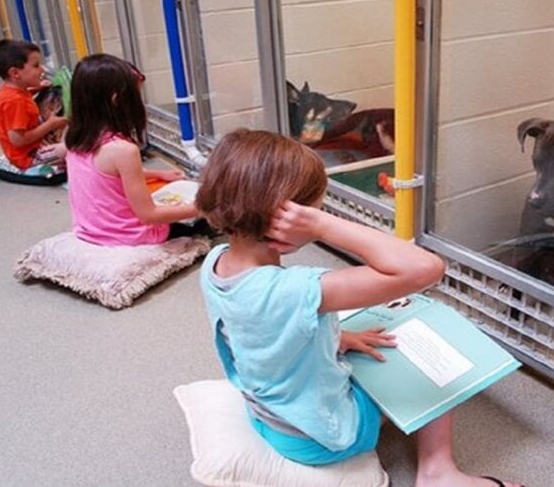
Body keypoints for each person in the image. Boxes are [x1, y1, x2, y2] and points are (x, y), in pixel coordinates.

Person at [197, 129, 522, 487]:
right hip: (321, 437)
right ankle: (438, 472)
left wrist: (340, 338)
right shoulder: (297, 289)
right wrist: (324, 226)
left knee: (370, 332)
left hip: (268, 417)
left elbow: (259, 329)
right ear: (291, 216)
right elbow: (425, 269)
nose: (322, 212)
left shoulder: (217, 263)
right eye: (319, 207)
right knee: (433, 358)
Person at [64, 53, 201, 246]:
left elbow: (109, 174)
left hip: (90, 230)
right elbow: (149, 215)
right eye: (137, 96)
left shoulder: (75, 136)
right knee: (207, 219)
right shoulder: (123, 150)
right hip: (129, 237)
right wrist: (200, 208)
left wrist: (159, 174)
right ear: (117, 100)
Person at [0, 39, 68, 171]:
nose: (42, 69)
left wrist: (36, 89)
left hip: (32, 148)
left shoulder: (13, 90)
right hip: (29, 157)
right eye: (36, 65)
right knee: (71, 149)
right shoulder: (14, 100)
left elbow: (23, 101)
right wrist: (50, 125)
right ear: (15, 73)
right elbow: (18, 140)